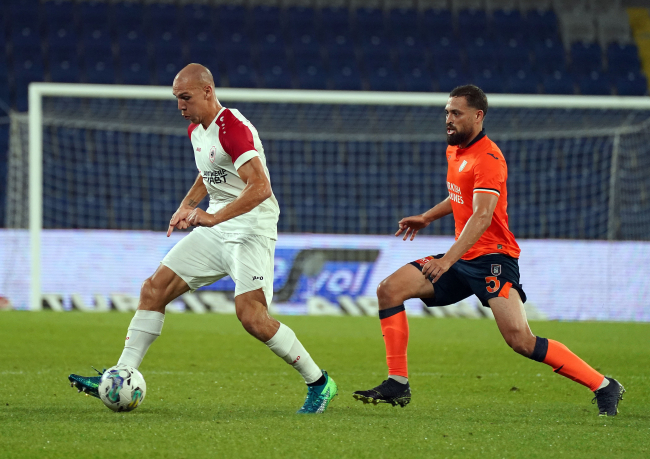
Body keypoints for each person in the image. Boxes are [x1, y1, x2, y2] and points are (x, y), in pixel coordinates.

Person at [69, 63, 338, 414]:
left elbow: (260, 187)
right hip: (218, 229)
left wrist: (211, 216)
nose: (180, 105)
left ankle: (319, 382)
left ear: (208, 92)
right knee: (154, 289)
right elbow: (208, 172)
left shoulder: (233, 128)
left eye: (186, 97)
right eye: (176, 98)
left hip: (250, 230)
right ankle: (121, 375)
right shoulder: (196, 130)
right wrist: (187, 205)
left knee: (252, 317)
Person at [352, 85, 625, 416]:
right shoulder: (455, 150)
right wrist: (427, 217)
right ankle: (398, 382)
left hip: (494, 259)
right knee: (389, 290)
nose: (448, 119)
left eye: (456, 113)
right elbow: (460, 196)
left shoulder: (489, 158)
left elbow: (482, 216)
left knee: (521, 340)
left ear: (478, 115)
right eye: (447, 113)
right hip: (461, 257)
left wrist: (447, 259)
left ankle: (604, 385)